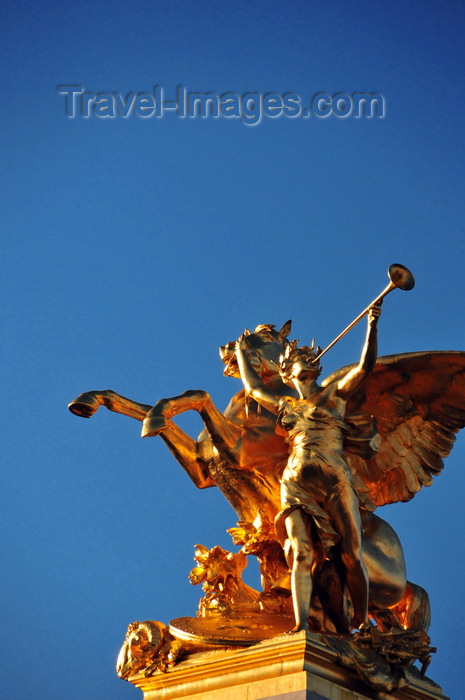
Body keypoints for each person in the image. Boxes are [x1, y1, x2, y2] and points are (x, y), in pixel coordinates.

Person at [235, 305, 381, 632]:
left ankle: (361, 620)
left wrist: (372, 324)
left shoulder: (333, 396)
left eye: (306, 356)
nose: (303, 359)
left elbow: (364, 367)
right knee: (300, 553)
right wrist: (242, 353)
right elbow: (255, 389)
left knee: (351, 553)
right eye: (296, 357)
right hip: (296, 481)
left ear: (313, 368)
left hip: (335, 479)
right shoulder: (288, 405)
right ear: (288, 373)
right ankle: (301, 625)